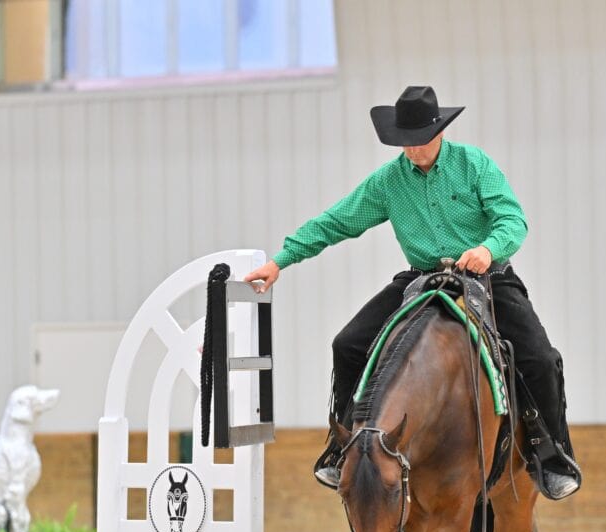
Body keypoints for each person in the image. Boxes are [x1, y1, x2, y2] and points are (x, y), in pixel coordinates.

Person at [245, 86, 580, 500]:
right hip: (423, 277)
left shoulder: (474, 164)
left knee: (541, 359)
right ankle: (342, 447)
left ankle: (550, 455)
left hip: (486, 277)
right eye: (405, 141)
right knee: (347, 344)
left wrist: (487, 249)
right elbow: (336, 221)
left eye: (421, 139)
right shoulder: (389, 181)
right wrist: (281, 260)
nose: (413, 149)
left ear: (439, 131)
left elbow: (512, 220)